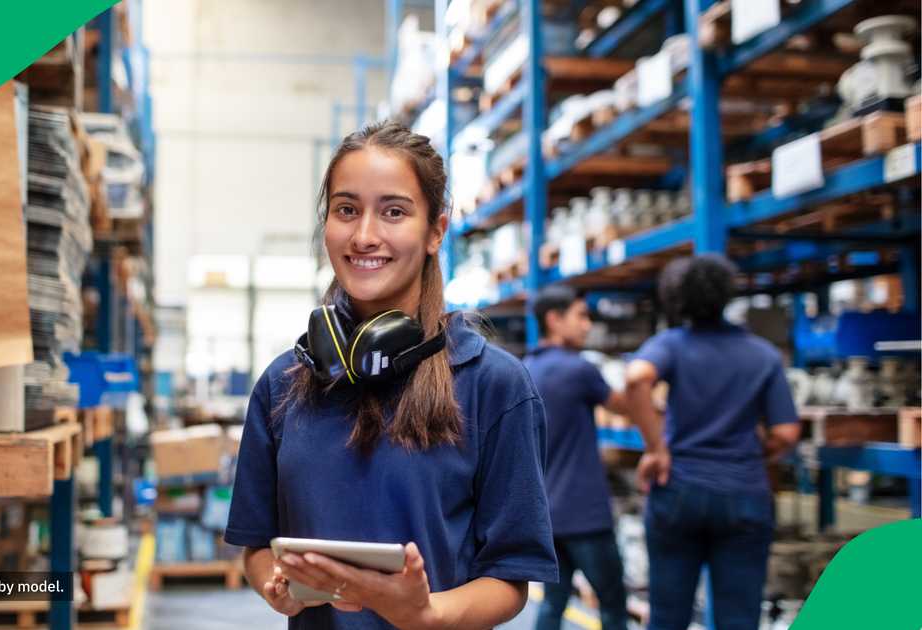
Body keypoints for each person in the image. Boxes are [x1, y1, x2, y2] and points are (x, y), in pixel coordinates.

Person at [224, 121, 558, 629]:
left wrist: (425, 614)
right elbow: (255, 544)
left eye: (394, 212)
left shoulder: (495, 386)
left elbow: (510, 578)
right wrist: (276, 584)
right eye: (346, 210)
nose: (364, 236)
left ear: (435, 232)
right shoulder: (283, 385)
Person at [625, 254, 801, 630]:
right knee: (738, 617)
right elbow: (787, 432)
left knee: (668, 615)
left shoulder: (671, 345)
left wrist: (657, 448)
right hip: (744, 493)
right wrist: (757, 452)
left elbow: (637, 379)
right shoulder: (763, 354)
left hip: (678, 489)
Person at [524, 285, 630, 630]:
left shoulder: (524, 370)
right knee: (613, 604)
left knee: (553, 603)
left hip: (546, 516)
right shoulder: (579, 370)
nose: (587, 325)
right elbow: (624, 406)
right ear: (554, 320)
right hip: (586, 515)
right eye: (581, 316)